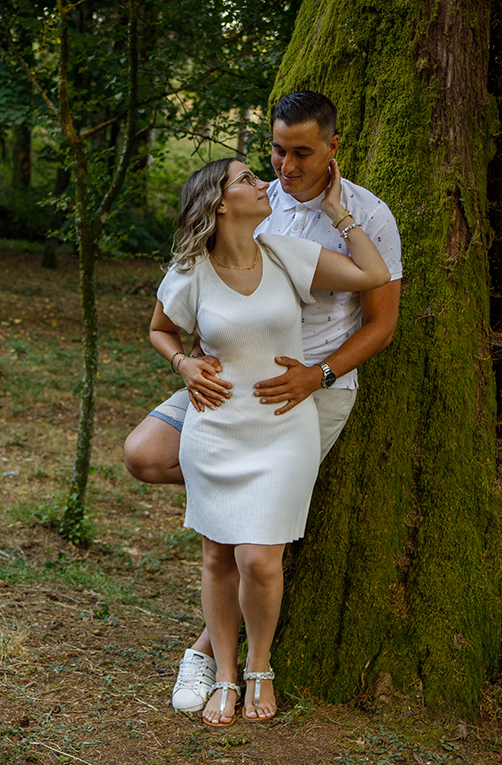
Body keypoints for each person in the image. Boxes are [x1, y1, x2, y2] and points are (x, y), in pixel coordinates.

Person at [123, 92, 404, 715]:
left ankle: (215, 656)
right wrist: (186, 361)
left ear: (333, 147)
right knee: (145, 457)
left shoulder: (368, 215)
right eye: (275, 151)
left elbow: (380, 318)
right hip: (228, 388)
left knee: (252, 547)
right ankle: (226, 640)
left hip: (312, 387)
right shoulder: (258, 206)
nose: (283, 166)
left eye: (301, 152)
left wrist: (320, 375)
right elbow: (175, 312)